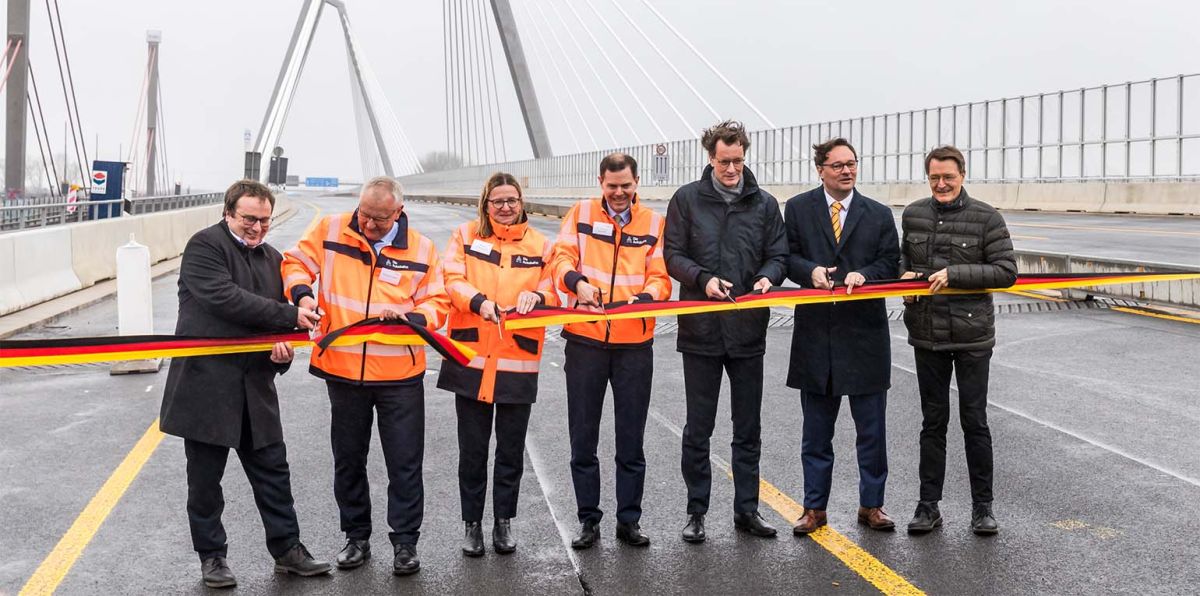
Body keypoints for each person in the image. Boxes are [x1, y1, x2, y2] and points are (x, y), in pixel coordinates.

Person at [160, 179, 330, 589]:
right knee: (205, 483)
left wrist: (283, 352)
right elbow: (225, 299)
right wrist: (289, 316)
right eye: (249, 219)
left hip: (255, 387)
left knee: (274, 475)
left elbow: (271, 328)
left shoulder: (273, 258)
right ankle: (212, 558)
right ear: (228, 213)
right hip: (206, 386)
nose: (257, 228)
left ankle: (288, 549)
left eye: (265, 220)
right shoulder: (204, 247)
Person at [281, 176, 450, 575]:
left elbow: (438, 302)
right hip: (343, 370)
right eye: (365, 215)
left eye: (378, 219)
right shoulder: (332, 229)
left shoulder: (422, 249)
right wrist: (303, 295)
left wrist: (410, 317)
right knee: (349, 460)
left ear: (398, 212)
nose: (369, 225)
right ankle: (356, 538)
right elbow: (293, 262)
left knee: (404, 464)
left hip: (399, 374)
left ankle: (405, 544)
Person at [663, 120, 788, 543]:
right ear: (710, 158)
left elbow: (779, 254)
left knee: (747, 429)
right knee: (699, 428)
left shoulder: (765, 204)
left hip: (748, 333)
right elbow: (673, 256)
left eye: (737, 160)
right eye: (724, 161)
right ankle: (696, 512)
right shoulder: (686, 200)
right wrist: (702, 280)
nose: (731, 168)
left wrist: (770, 276)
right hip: (700, 332)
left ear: (744, 155)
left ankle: (747, 511)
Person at [549, 153, 671, 549]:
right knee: (582, 438)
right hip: (585, 342)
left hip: (634, 345)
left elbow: (662, 277)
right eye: (612, 186)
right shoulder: (580, 213)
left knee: (630, 440)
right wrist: (576, 282)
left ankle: (629, 520)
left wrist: (647, 296)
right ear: (600, 182)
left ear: (637, 184)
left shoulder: (654, 223)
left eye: (626, 186)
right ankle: (588, 520)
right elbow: (561, 258)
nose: (619, 193)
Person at [784, 138, 901, 535]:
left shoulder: (879, 214)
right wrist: (810, 271)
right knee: (816, 433)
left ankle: (872, 505)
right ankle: (814, 508)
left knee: (872, 433)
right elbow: (788, 257)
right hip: (816, 337)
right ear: (820, 170)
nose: (847, 171)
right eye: (837, 165)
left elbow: (890, 260)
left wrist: (865, 275)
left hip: (865, 336)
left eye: (852, 163)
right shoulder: (799, 209)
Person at [438, 173, 558, 556]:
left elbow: (555, 286)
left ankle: (503, 522)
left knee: (510, 451)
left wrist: (536, 296)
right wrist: (479, 302)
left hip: (516, 362)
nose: (505, 207)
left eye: (512, 200)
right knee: (472, 451)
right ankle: (471, 524)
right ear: (485, 204)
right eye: (498, 201)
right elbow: (451, 278)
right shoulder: (465, 236)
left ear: (522, 202)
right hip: (470, 360)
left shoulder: (541, 245)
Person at [900, 145, 1016, 536]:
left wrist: (954, 274)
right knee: (932, 422)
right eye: (934, 177)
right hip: (926, 334)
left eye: (948, 176)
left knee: (974, 421)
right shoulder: (913, 214)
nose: (941, 184)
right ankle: (928, 505)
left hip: (972, 337)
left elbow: (1005, 272)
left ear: (962, 174)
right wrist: (904, 281)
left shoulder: (987, 218)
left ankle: (983, 508)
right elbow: (905, 263)